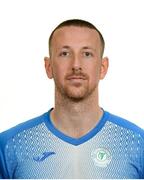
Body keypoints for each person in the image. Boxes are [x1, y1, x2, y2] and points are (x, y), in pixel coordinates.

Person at [0, 19, 144, 179]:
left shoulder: (137, 144)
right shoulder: (10, 145)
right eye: (65, 54)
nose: (76, 65)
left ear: (103, 68)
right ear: (49, 67)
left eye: (87, 54)